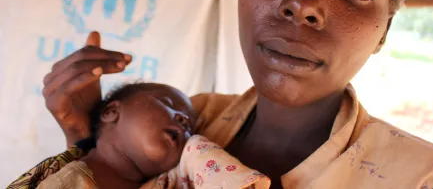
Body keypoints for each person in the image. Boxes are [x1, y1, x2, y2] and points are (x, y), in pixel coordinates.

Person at [10, 0, 433, 188]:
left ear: (383, 32)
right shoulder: (191, 118)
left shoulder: (428, 180)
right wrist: (90, 140)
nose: (302, 4)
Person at [9, 82, 270, 189]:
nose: (183, 121)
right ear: (112, 112)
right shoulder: (72, 180)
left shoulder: (165, 181)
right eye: (167, 102)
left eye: (189, 125)